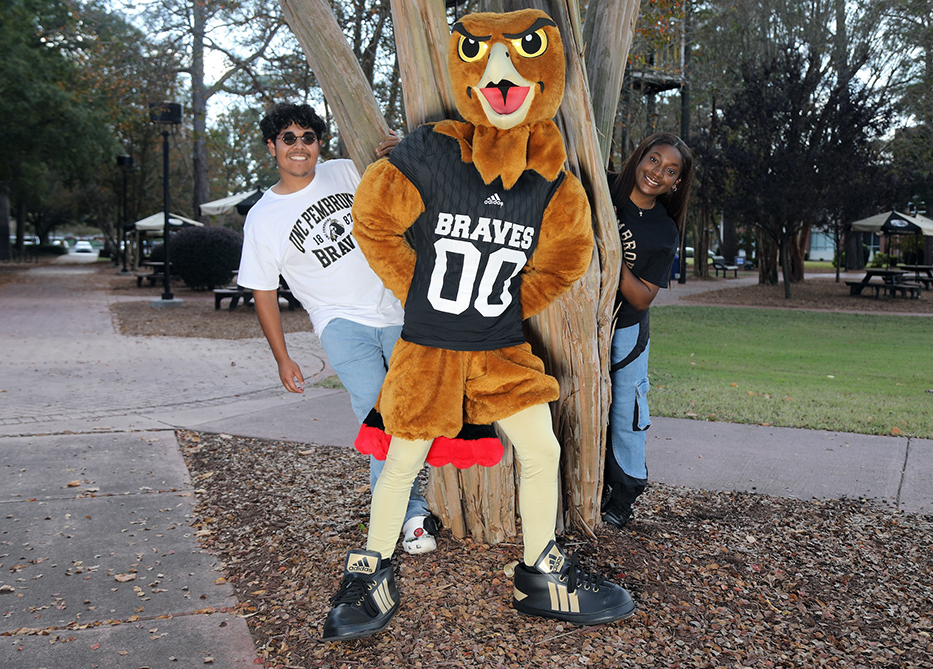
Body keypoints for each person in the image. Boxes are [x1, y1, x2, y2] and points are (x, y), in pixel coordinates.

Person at [321, 9, 634, 643]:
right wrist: (425, 291)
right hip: (428, 347)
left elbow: (568, 258)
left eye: (519, 60)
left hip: (500, 346)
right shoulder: (435, 151)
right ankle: (372, 567)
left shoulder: (553, 180)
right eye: (484, 62)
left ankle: (540, 571)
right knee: (403, 460)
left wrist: (508, 301)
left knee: (542, 449)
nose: (500, 78)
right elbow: (374, 222)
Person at [236, 102, 438, 554]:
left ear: (318, 143)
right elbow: (263, 293)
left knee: (418, 408)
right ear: (272, 147)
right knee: (377, 412)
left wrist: (400, 149)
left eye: (307, 137)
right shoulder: (263, 218)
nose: (299, 147)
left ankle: (409, 502)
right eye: (288, 138)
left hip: (400, 308)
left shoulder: (346, 171)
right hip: (340, 322)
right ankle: (407, 518)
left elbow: (401, 187)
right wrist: (283, 357)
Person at [601, 132, 694, 529]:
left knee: (626, 410)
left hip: (626, 328)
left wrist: (611, 253)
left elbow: (641, 297)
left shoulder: (664, 229)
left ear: (676, 183)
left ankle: (624, 492)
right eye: (654, 160)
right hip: (577, 323)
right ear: (639, 156)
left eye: (670, 170)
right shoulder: (602, 187)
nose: (657, 172)